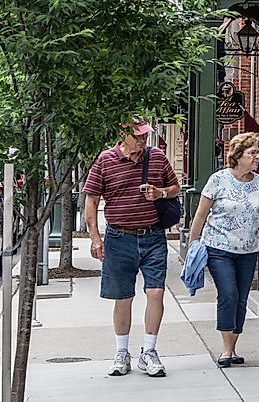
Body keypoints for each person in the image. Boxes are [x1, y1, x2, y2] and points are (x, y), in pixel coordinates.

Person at [83, 117, 180, 378]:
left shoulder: (157, 157)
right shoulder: (105, 160)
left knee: (156, 292)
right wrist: (95, 237)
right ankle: (122, 352)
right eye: (138, 135)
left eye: (145, 135)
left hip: (153, 236)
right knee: (123, 297)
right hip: (118, 238)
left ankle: (149, 351)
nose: (143, 140)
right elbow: (91, 201)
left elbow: (175, 188)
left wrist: (160, 193)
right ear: (122, 134)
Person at [189, 132, 259, 368]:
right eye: (252, 152)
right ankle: (226, 350)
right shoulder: (218, 180)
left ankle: (233, 347)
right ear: (238, 155)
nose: (258, 156)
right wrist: (193, 244)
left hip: (248, 249)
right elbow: (201, 214)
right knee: (228, 294)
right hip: (218, 247)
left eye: (258, 151)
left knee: (241, 299)